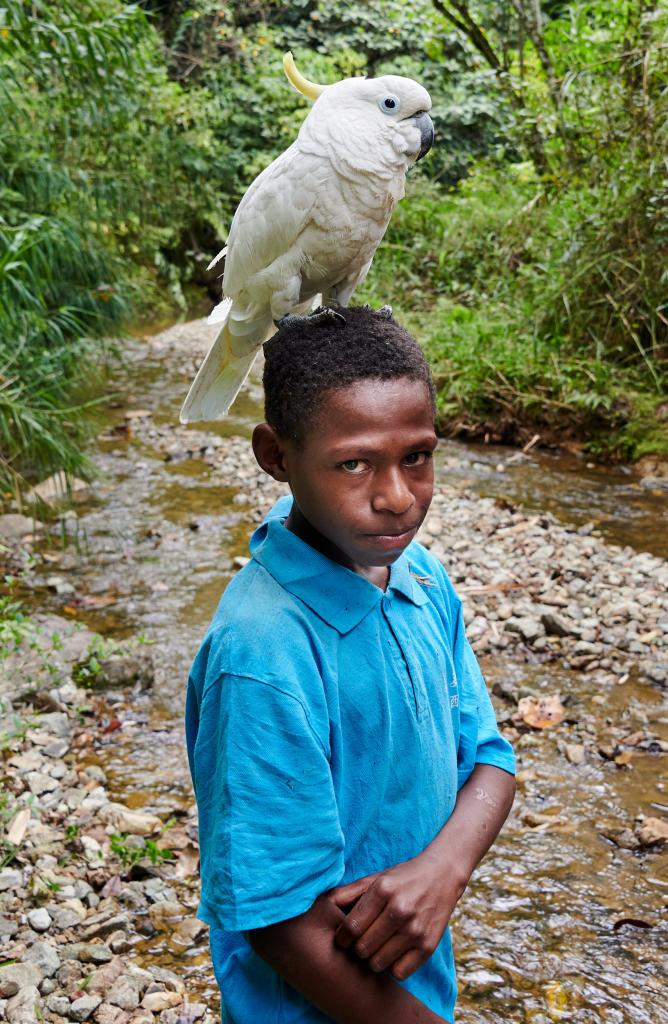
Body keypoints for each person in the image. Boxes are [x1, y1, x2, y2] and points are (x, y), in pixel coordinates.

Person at [185, 306, 516, 1024]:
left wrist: (442, 869)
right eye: (354, 463)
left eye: (417, 457)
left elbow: (490, 758)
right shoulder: (263, 655)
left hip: (417, 992)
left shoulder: (421, 578)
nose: (397, 498)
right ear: (275, 455)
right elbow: (277, 921)